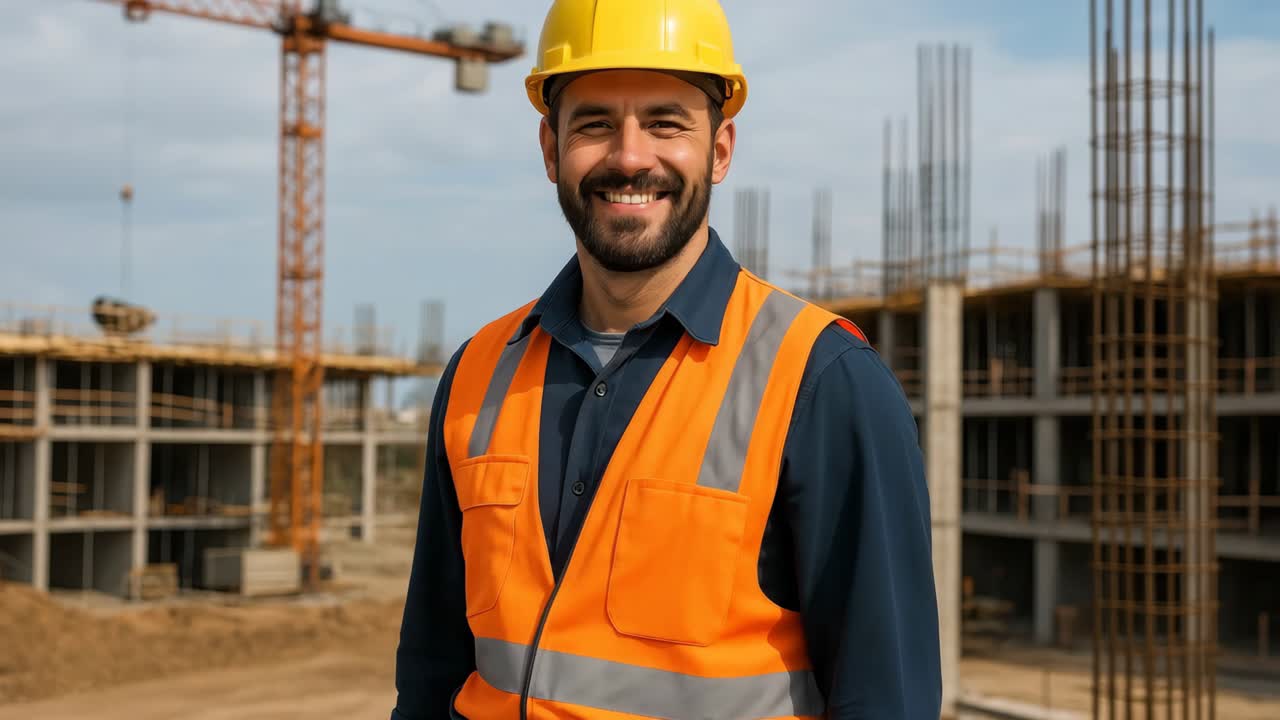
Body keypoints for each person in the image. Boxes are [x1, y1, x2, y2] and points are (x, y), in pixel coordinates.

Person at [390, 1, 941, 718]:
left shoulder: (822, 381)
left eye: (665, 121)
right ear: (550, 148)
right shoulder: (479, 372)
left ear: (719, 149)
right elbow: (432, 672)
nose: (628, 156)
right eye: (593, 123)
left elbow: (885, 698)